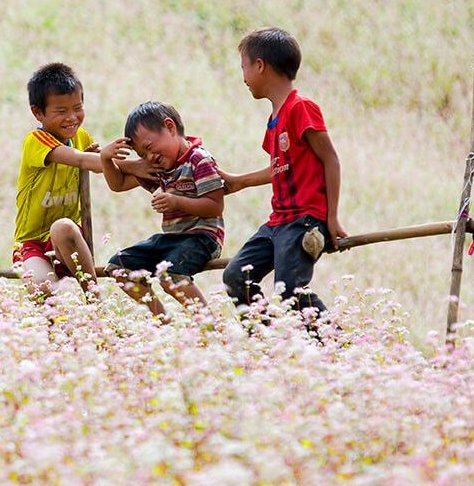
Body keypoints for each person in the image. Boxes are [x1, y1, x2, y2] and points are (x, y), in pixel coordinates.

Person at [219, 27, 348, 318]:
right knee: (236, 276)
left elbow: (331, 159)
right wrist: (239, 182)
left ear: (260, 65)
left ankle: (334, 346)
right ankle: (267, 345)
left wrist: (331, 217)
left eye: (244, 67)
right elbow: (280, 168)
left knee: (289, 290)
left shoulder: (301, 108)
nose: (243, 78)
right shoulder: (274, 120)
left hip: (304, 220)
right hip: (278, 222)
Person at [100, 101, 225, 319]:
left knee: (169, 275)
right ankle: (162, 321)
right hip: (173, 240)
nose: (148, 158)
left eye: (148, 148)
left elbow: (215, 206)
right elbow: (118, 185)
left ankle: (210, 325)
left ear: (170, 127)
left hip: (203, 237)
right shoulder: (162, 167)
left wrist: (177, 202)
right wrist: (105, 158)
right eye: (142, 154)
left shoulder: (199, 159)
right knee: (117, 266)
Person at [12, 62, 107, 299]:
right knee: (43, 288)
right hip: (32, 243)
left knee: (63, 226)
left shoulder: (81, 137)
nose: (72, 118)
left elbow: (101, 166)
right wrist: (105, 158)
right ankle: (60, 333)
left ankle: (95, 303)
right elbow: (84, 160)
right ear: (38, 113)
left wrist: (144, 171)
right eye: (61, 111)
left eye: (77, 108)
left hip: (67, 241)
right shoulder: (36, 141)